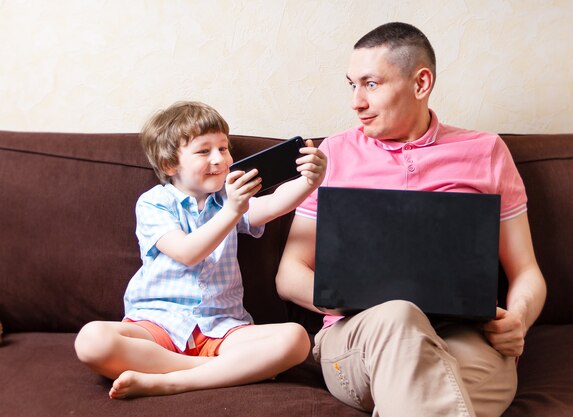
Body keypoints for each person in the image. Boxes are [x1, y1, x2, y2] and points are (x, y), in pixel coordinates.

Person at [275, 22, 547, 417]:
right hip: (359, 338)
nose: (356, 101)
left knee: (417, 385)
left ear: (421, 83)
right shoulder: (330, 156)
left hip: (465, 338)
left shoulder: (486, 151)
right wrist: (356, 300)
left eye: (370, 84)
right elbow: (289, 274)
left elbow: (526, 270)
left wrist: (519, 318)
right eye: (351, 84)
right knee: (398, 316)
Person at [74, 101, 327, 399]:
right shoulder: (155, 203)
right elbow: (186, 251)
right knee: (92, 340)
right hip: (158, 326)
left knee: (296, 339)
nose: (220, 158)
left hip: (222, 327)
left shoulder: (230, 199)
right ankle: (217, 370)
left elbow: (272, 204)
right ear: (170, 164)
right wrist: (233, 209)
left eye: (224, 148)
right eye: (204, 151)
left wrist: (311, 181)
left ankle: (173, 381)